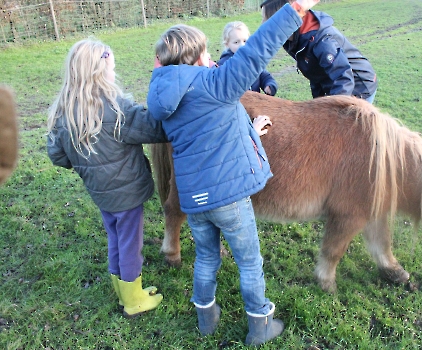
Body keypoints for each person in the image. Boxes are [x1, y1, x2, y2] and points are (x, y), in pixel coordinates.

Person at [146, 0, 319, 345]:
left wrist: (249, 128)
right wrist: (294, 8)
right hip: (230, 199)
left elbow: (204, 131)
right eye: (208, 54)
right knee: (250, 263)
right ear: (199, 59)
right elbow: (257, 49)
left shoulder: (162, 99)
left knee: (206, 258)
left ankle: (206, 318)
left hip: (196, 202)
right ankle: (260, 324)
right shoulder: (216, 83)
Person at [46, 38, 167, 318]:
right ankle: (134, 299)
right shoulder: (116, 108)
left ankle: (121, 286)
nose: (114, 72)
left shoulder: (64, 111)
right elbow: (154, 130)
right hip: (127, 193)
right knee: (129, 244)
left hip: (100, 192)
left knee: (115, 238)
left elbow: (58, 155)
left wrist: (85, 163)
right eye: (111, 67)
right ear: (101, 71)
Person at [260, 0, 378, 103]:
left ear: (282, 20)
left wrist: (331, 113)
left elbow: (343, 78)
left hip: (359, 86)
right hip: (337, 84)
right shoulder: (293, 38)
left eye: (266, 19)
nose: (262, 24)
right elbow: (315, 72)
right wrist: (317, 103)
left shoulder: (322, 42)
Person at [218, 21, 278, 96]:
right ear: (227, 44)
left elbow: (264, 76)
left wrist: (269, 85)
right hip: (235, 104)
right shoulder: (224, 64)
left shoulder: (254, 59)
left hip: (255, 102)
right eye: (236, 42)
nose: (242, 45)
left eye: (245, 41)